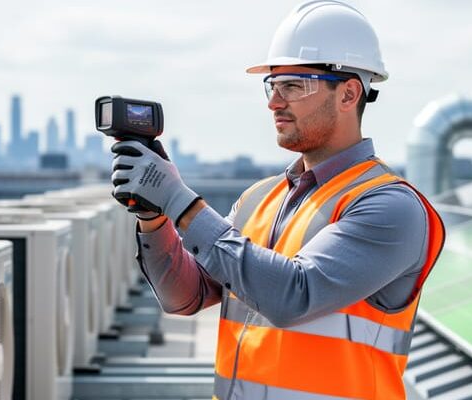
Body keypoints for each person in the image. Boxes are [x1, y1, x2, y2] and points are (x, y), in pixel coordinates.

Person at [110, 1, 445, 398]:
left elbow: (294, 295)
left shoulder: (390, 207)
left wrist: (180, 202)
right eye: (273, 85)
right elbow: (183, 297)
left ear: (349, 93)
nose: (274, 102)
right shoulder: (259, 199)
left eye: (293, 85)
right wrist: (155, 217)